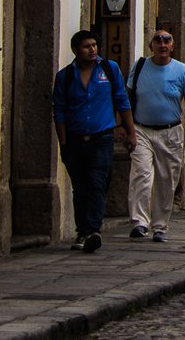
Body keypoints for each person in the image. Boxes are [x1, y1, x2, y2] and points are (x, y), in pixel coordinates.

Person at [52, 29, 135, 253]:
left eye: (94, 45)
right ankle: (83, 230)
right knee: (80, 188)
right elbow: (59, 112)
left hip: (102, 137)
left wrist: (131, 131)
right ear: (76, 50)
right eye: (87, 46)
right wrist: (63, 142)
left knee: (97, 183)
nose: (92, 50)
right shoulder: (65, 76)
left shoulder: (109, 70)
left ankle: (93, 230)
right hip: (75, 139)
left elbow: (122, 100)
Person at [127, 29, 185, 243]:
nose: (162, 44)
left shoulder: (182, 71)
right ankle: (140, 222)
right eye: (158, 40)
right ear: (151, 46)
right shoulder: (139, 67)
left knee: (167, 180)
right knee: (141, 174)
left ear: (172, 46)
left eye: (167, 40)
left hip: (171, 131)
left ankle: (160, 226)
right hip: (141, 129)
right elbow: (127, 98)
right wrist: (125, 126)